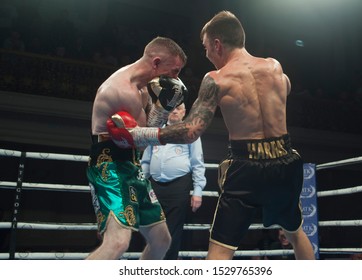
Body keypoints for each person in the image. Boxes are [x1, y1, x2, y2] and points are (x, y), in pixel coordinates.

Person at [113, 11, 315, 260]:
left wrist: (140, 135)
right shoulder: (274, 67)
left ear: (217, 44)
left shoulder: (217, 79)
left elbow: (190, 131)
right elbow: (286, 86)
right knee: (295, 232)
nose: (206, 54)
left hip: (246, 168)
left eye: (206, 47)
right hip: (284, 159)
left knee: (220, 249)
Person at [86, 36, 188, 260]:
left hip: (132, 164)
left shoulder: (141, 89)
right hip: (109, 165)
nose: (176, 79)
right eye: (175, 71)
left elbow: (147, 127)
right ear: (156, 62)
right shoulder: (120, 90)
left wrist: (163, 107)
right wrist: (171, 133)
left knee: (162, 241)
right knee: (118, 243)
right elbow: (140, 139)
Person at [141, 102, 206, 259]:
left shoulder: (190, 132)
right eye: (171, 108)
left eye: (179, 108)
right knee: (152, 230)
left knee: (172, 232)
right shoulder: (156, 130)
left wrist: (198, 191)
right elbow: (146, 161)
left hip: (179, 185)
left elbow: (198, 163)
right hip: (154, 185)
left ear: (184, 112)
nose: (175, 111)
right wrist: (141, 184)